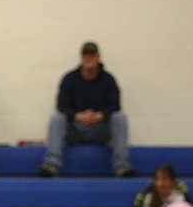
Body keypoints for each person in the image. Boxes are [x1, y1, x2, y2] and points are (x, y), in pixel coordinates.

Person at [39, 41, 134, 178]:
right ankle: (52, 163)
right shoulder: (69, 79)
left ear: (98, 57)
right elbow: (62, 105)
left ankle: (122, 165)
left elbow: (115, 105)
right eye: (86, 55)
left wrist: (100, 115)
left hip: (99, 129)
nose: (88, 58)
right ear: (81, 57)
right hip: (75, 129)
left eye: (92, 55)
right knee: (57, 118)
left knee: (120, 117)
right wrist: (78, 116)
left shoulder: (108, 80)